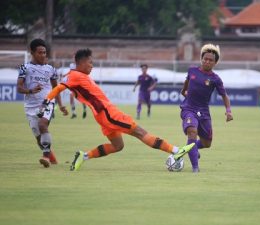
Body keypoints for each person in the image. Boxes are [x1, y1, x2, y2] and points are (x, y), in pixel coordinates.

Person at [38, 48, 194, 171]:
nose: (92, 66)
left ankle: (83, 156)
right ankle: (176, 150)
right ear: (81, 62)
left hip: (102, 115)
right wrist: (46, 100)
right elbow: (58, 88)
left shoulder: (73, 75)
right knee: (140, 132)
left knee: (118, 146)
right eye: (90, 63)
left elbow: (62, 85)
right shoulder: (74, 76)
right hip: (108, 113)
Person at [180, 43, 233, 173]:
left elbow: (224, 96)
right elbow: (186, 84)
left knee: (207, 143)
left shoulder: (215, 79)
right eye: (205, 59)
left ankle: (191, 149)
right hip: (189, 109)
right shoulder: (192, 71)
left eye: (211, 60)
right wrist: (184, 92)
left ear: (215, 63)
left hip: (203, 112)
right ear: (201, 59)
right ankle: (195, 168)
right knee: (192, 132)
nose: (207, 61)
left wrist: (228, 111)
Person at [17, 38, 69, 168]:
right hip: (30, 106)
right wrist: (30, 90)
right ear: (32, 53)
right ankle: (52, 158)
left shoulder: (51, 69)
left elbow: (56, 89)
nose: (43, 55)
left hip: (46, 103)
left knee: (42, 125)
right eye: (40, 52)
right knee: (38, 137)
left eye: (44, 52)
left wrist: (61, 105)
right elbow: (19, 88)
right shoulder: (25, 68)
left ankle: (45, 157)